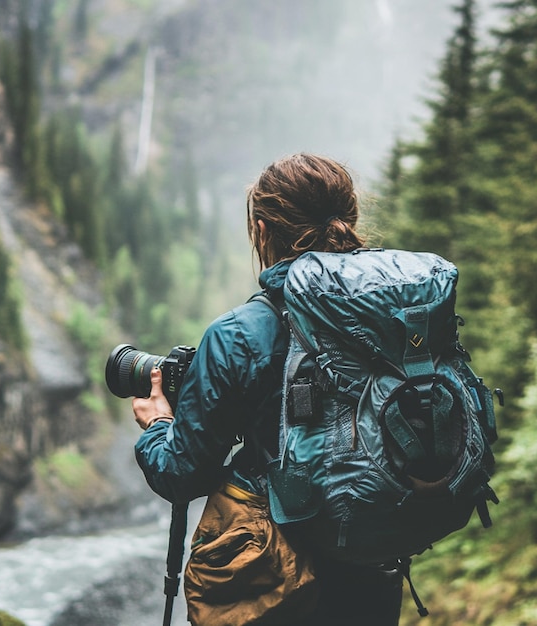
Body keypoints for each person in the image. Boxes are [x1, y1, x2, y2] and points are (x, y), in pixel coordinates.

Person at [133, 153, 403, 625]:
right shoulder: (395, 314)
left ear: (261, 231)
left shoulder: (240, 334)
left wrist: (159, 423)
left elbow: (181, 475)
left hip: (272, 578)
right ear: (350, 217)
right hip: (374, 566)